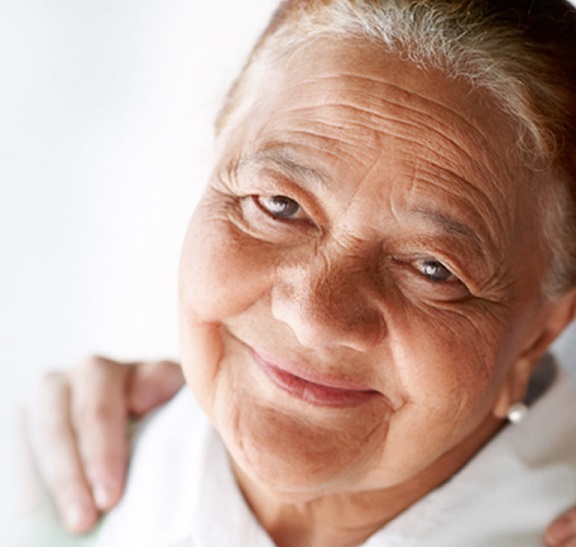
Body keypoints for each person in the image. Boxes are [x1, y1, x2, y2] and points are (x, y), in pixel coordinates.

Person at [27, 0, 576, 545]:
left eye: (432, 268)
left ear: (541, 332)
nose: (315, 316)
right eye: (279, 205)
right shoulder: (39, 483)